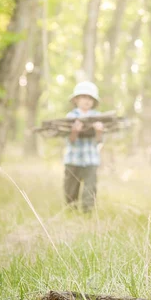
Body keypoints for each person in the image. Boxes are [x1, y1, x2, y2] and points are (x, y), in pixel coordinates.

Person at [63, 81, 104, 213]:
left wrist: (98, 131)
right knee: (70, 188)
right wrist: (74, 131)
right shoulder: (70, 117)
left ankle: (88, 212)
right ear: (76, 99)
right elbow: (69, 140)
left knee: (90, 188)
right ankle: (71, 211)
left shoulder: (97, 117)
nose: (87, 101)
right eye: (84, 97)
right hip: (73, 159)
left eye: (90, 98)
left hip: (91, 160)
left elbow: (99, 141)